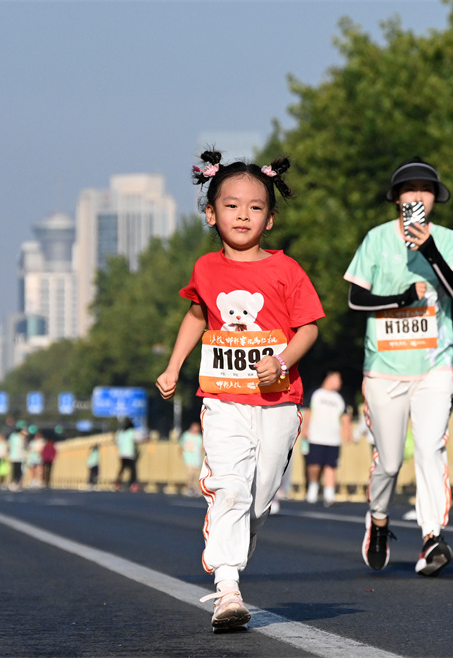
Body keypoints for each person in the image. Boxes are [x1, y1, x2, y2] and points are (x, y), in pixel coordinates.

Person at [156, 151, 323, 630]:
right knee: (229, 489)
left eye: (255, 207)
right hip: (223, 399)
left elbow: (308, 328)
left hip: (279, 402)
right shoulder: (206, 269)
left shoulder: (285, 269)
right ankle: (227, 589)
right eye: (231, 206)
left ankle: (230, 557)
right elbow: (197, 315)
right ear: (211, 214)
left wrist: (281, 363)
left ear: (269, 219)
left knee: (261, 496)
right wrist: (174, 367)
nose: (243, 215)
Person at [344, 157, 453, 577]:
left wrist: (428, 247)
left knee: (431, 450)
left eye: (426, 190)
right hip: (384, 368)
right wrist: (399, 298)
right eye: (409, 189)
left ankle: (432, 537)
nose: (417, 196)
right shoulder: (376, 240)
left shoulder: (448, 240)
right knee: (392, 462)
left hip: (435, 365)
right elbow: (355, 300)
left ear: (435, 199)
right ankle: (378, 520)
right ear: (396, 198)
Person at [302, 370, 351, 507]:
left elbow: (345, 416)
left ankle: (329, 494)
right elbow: (308, 411)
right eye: (337, 379)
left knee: (331, 466)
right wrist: (305, 428)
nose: (339, 382)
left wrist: (348, 433)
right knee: (314, 465)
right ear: (329, 378)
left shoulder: (339, 398)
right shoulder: (315, 394)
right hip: (316, 436)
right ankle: (313, 488)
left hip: (333, 438)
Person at [179, 421, 204, 497]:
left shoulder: (199, 437)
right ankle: (189, 488)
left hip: (197, 459)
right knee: (190, 475)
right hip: (188, 458)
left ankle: (195, 489)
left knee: (196, 476)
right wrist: (181, 454)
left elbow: (202, 447)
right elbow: (181, 445)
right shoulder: (186, 435)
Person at [114, 418, 139, 492]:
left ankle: (117, 483)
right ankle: (132, 484)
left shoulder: (121, 433)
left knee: (122, 469)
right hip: (130, 454)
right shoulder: (131, 432)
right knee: (133, 470)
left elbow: (116, 441)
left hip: (122, 454)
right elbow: (137, 439)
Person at [7, 423, 28, 490]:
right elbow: (9, 445)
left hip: (20, 456)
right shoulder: (13, 436)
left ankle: (18, 482)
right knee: (15, 470)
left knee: (19, 470)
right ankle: (15, 482)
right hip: (14, 456)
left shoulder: (21, 437)